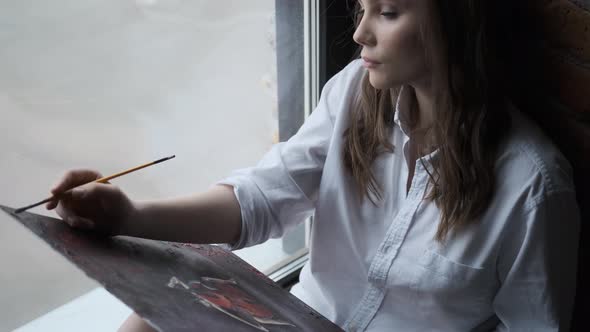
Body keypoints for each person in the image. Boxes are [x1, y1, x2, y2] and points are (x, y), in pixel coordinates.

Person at [46, 0, 580, 331]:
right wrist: (128, 215)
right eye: (362, 8)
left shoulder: (533, 188)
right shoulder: (353, 93)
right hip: (294, 319)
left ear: (456, 24)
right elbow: (258, 200)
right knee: (148, 320)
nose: (360, 34)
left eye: (388, 13)